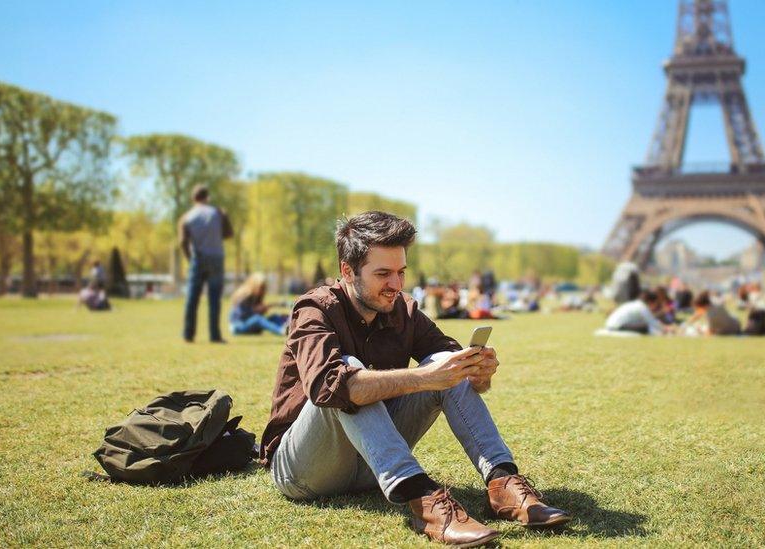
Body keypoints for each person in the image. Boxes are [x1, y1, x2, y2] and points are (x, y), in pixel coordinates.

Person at [261, 211, 571, 547]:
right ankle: (422, 498)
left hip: (370, 466)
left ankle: (502, 483)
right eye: (383, 274)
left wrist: (477, 372)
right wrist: (425, 378)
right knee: (348, 377)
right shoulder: (314, 310)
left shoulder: (404, 310)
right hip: (303, 470)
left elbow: (454, 374)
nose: (396, 285)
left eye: (400, 272)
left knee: (446, 360)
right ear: (347, 271)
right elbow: (329, 387)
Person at [178, 185, 233, 343]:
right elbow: (229, 234)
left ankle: (188, 335)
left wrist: (190, 258)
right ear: (207, 197)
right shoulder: (218, 212)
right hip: (216, 258)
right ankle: (215, 336)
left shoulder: (187, 217)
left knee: (192, 298)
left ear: (193, 198)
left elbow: (182, 241)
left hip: (198, 258)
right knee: (214, 298)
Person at [601, 290, 668, 335]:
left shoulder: (636, 304)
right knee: (644, 327)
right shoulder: (642, 307)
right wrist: (665, 329)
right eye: (655, 304)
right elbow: (651, 321)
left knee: (643, 325)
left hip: (611, 324)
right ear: (651, 302)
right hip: (616, 326)